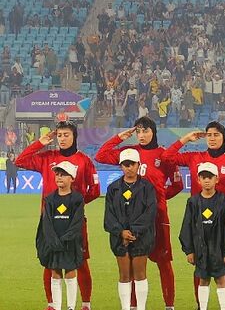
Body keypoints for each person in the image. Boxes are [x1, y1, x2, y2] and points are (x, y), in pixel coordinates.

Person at [96, 117, 185, 310]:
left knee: (163, 262)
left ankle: (169, 306)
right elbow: (101, 156)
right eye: (138, 132)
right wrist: (120, 137)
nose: (142, 135)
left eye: (145, 131)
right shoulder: (130, 153)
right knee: (132, 262)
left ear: (153, 132)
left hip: (158, 217)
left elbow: (178, 185)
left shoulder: (163, 154)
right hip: (130, 219)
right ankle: (134, 306)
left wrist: (157, 199)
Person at [166, 121, 225, 309]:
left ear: (223, 137)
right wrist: (186, 139)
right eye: (209, 135)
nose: (212, 138)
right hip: (198, 223)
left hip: (223, 223)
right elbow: (167, 156)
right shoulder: (195, 157)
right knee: (199, 266)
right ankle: (200, 305)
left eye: (216, 134)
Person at [17, 121, 99, 310]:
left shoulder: (84, 160)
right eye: (59, 135)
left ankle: (86, 304)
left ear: (74, 137)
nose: (62, 139)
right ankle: (52, 305)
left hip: (75, 222)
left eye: (66, 135)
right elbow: (20, 161)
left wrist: (74, 205)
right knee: (49, 261)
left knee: (80, 261)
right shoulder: (47, 157)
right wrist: (40, 143)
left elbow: (94, 190)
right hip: (48, 221)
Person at [179, 162, 225, 310]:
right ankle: (202, 307)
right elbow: (187, 226)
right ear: (198, 180)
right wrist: (189, 250)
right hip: (200, 248)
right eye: (203, 177)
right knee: (203, 279)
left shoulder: (223, 200)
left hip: (218, 248)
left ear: (216, 179)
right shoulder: (193, 201)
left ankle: (224, 307)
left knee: (220, 278)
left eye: (210, 177)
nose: (206, 180)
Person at [104, 149, 157, 310]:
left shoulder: (147, 187)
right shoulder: (113, 188)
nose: (129, 168)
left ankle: (141, 307)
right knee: (124, 275)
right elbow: (109, 216)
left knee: (140, 274)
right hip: (119, 238)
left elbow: (150, 212)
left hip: (141, 237)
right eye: (125, 165)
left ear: (138, 165)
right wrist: (121, 232)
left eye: (132, 164)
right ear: (121, 166)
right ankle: (125, 307)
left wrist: (133, 231)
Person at [36, 161, 84, 310]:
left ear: (72, 178)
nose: (59, 177)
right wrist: (54, 241)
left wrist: (66, 239)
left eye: (63, 174)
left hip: (71, 244)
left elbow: (77, 223)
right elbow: (47, 223)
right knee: (55, 273)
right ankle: (56, 306)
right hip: (54, 244)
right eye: (57, 174)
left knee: (70, 272)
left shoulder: (77, 199)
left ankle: (70, 307)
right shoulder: (50, 199)